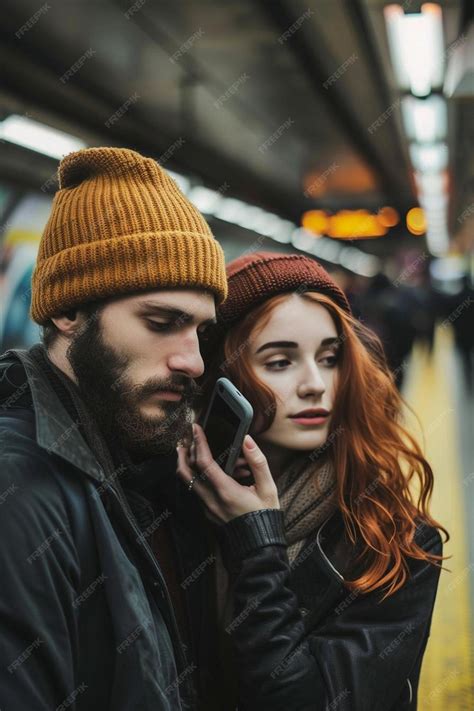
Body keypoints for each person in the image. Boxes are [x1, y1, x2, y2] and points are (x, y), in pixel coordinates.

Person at [0, 146, 229, 710]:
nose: (194, 361)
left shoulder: (135, 460)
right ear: (69, 312)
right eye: (161, 322)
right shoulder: (19, 494)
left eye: (199, 330)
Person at [177, 251, 448, 711]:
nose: (315, 384)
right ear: (223, 379)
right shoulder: (172, 499)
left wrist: (257, 544)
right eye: (280, 362)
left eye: (329, 358)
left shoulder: (392, 540)